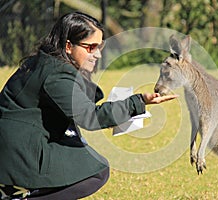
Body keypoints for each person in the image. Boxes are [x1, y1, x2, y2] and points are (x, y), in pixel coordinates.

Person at [0, 12, 177, 200]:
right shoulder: (56, 75)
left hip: (17, 144)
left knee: (84, 152)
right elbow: (90, 117)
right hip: (19, 151)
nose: (98, 54)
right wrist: (138, 102)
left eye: (100, 47)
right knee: (96, 172)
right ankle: (19, 196)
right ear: (68, 46)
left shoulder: (45, 61)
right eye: (91, 47)